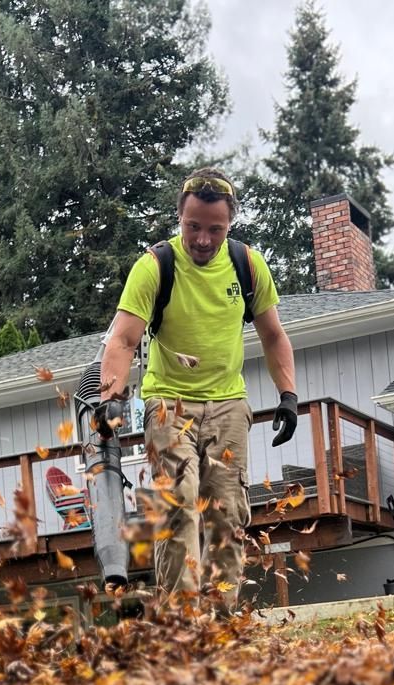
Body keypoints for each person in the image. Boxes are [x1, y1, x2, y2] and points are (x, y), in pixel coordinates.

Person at [97, 168, 299, 601]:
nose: (203, 239)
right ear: (179, 218)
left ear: (229, 225)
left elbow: (274, 335)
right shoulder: (155, 266)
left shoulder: (247, 264)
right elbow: (123, 338)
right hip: (170, 403)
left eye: (215, 229)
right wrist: (110, 399)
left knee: (227, 515)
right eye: (193, 227)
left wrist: (288, 395)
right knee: (179, 503)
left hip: (229, 404)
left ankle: (223, 624)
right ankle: (183, 622)